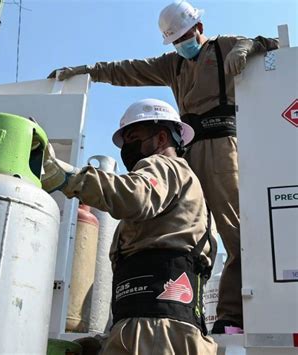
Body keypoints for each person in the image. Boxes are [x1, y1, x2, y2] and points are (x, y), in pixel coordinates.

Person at [47, 0, 279, 333]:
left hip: (220, 146)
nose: (182, 43)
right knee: (182, 232)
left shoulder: (223, 46)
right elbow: (128, 70)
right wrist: (88, 71)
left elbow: (274, 44)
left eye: (185, 35)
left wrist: (249, 45)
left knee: (237, 234)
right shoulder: (175, 65)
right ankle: (182, 307)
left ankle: (231, 317)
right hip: (184, 152)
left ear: (198, 28)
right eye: (175, 40)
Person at [42, 98, 217, 354]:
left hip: (157, 332)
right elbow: (142, 292)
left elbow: (135, 197)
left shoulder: (163, 164)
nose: (127, 149)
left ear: (160, 139)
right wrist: (106, 339)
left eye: (134, 138)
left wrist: (66, 177)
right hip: (165, 329)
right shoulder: (181, 193)